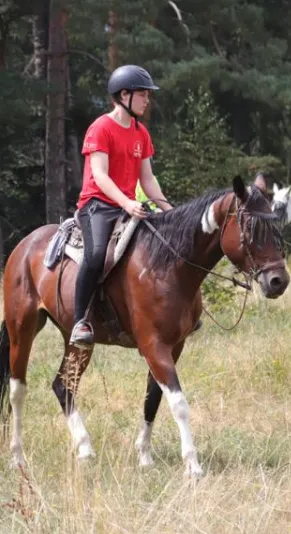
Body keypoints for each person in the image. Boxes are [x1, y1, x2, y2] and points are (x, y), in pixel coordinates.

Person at [70, 64, 173, 348]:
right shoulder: (100, 128)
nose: (147, 100)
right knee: (96, 255)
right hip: (97, 205)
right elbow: (100, 175)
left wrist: (169, 212)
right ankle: (80, 321)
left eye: (147, 95)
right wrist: (128, 203)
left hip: (128, 205)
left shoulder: (141, 133)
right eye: (142, 94)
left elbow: (148, 180)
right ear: (124, 95)